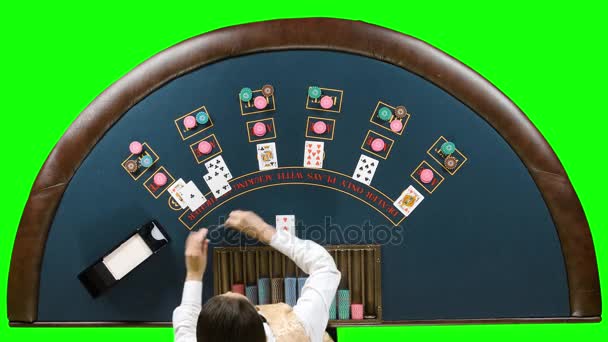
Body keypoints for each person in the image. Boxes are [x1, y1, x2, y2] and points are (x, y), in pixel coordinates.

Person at [173, 210, 341, 342]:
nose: (231, 292)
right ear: (262, 328)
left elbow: (186, 323)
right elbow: (324, 266)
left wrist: (194, 274)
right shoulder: (299, 331)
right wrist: (264, 231)